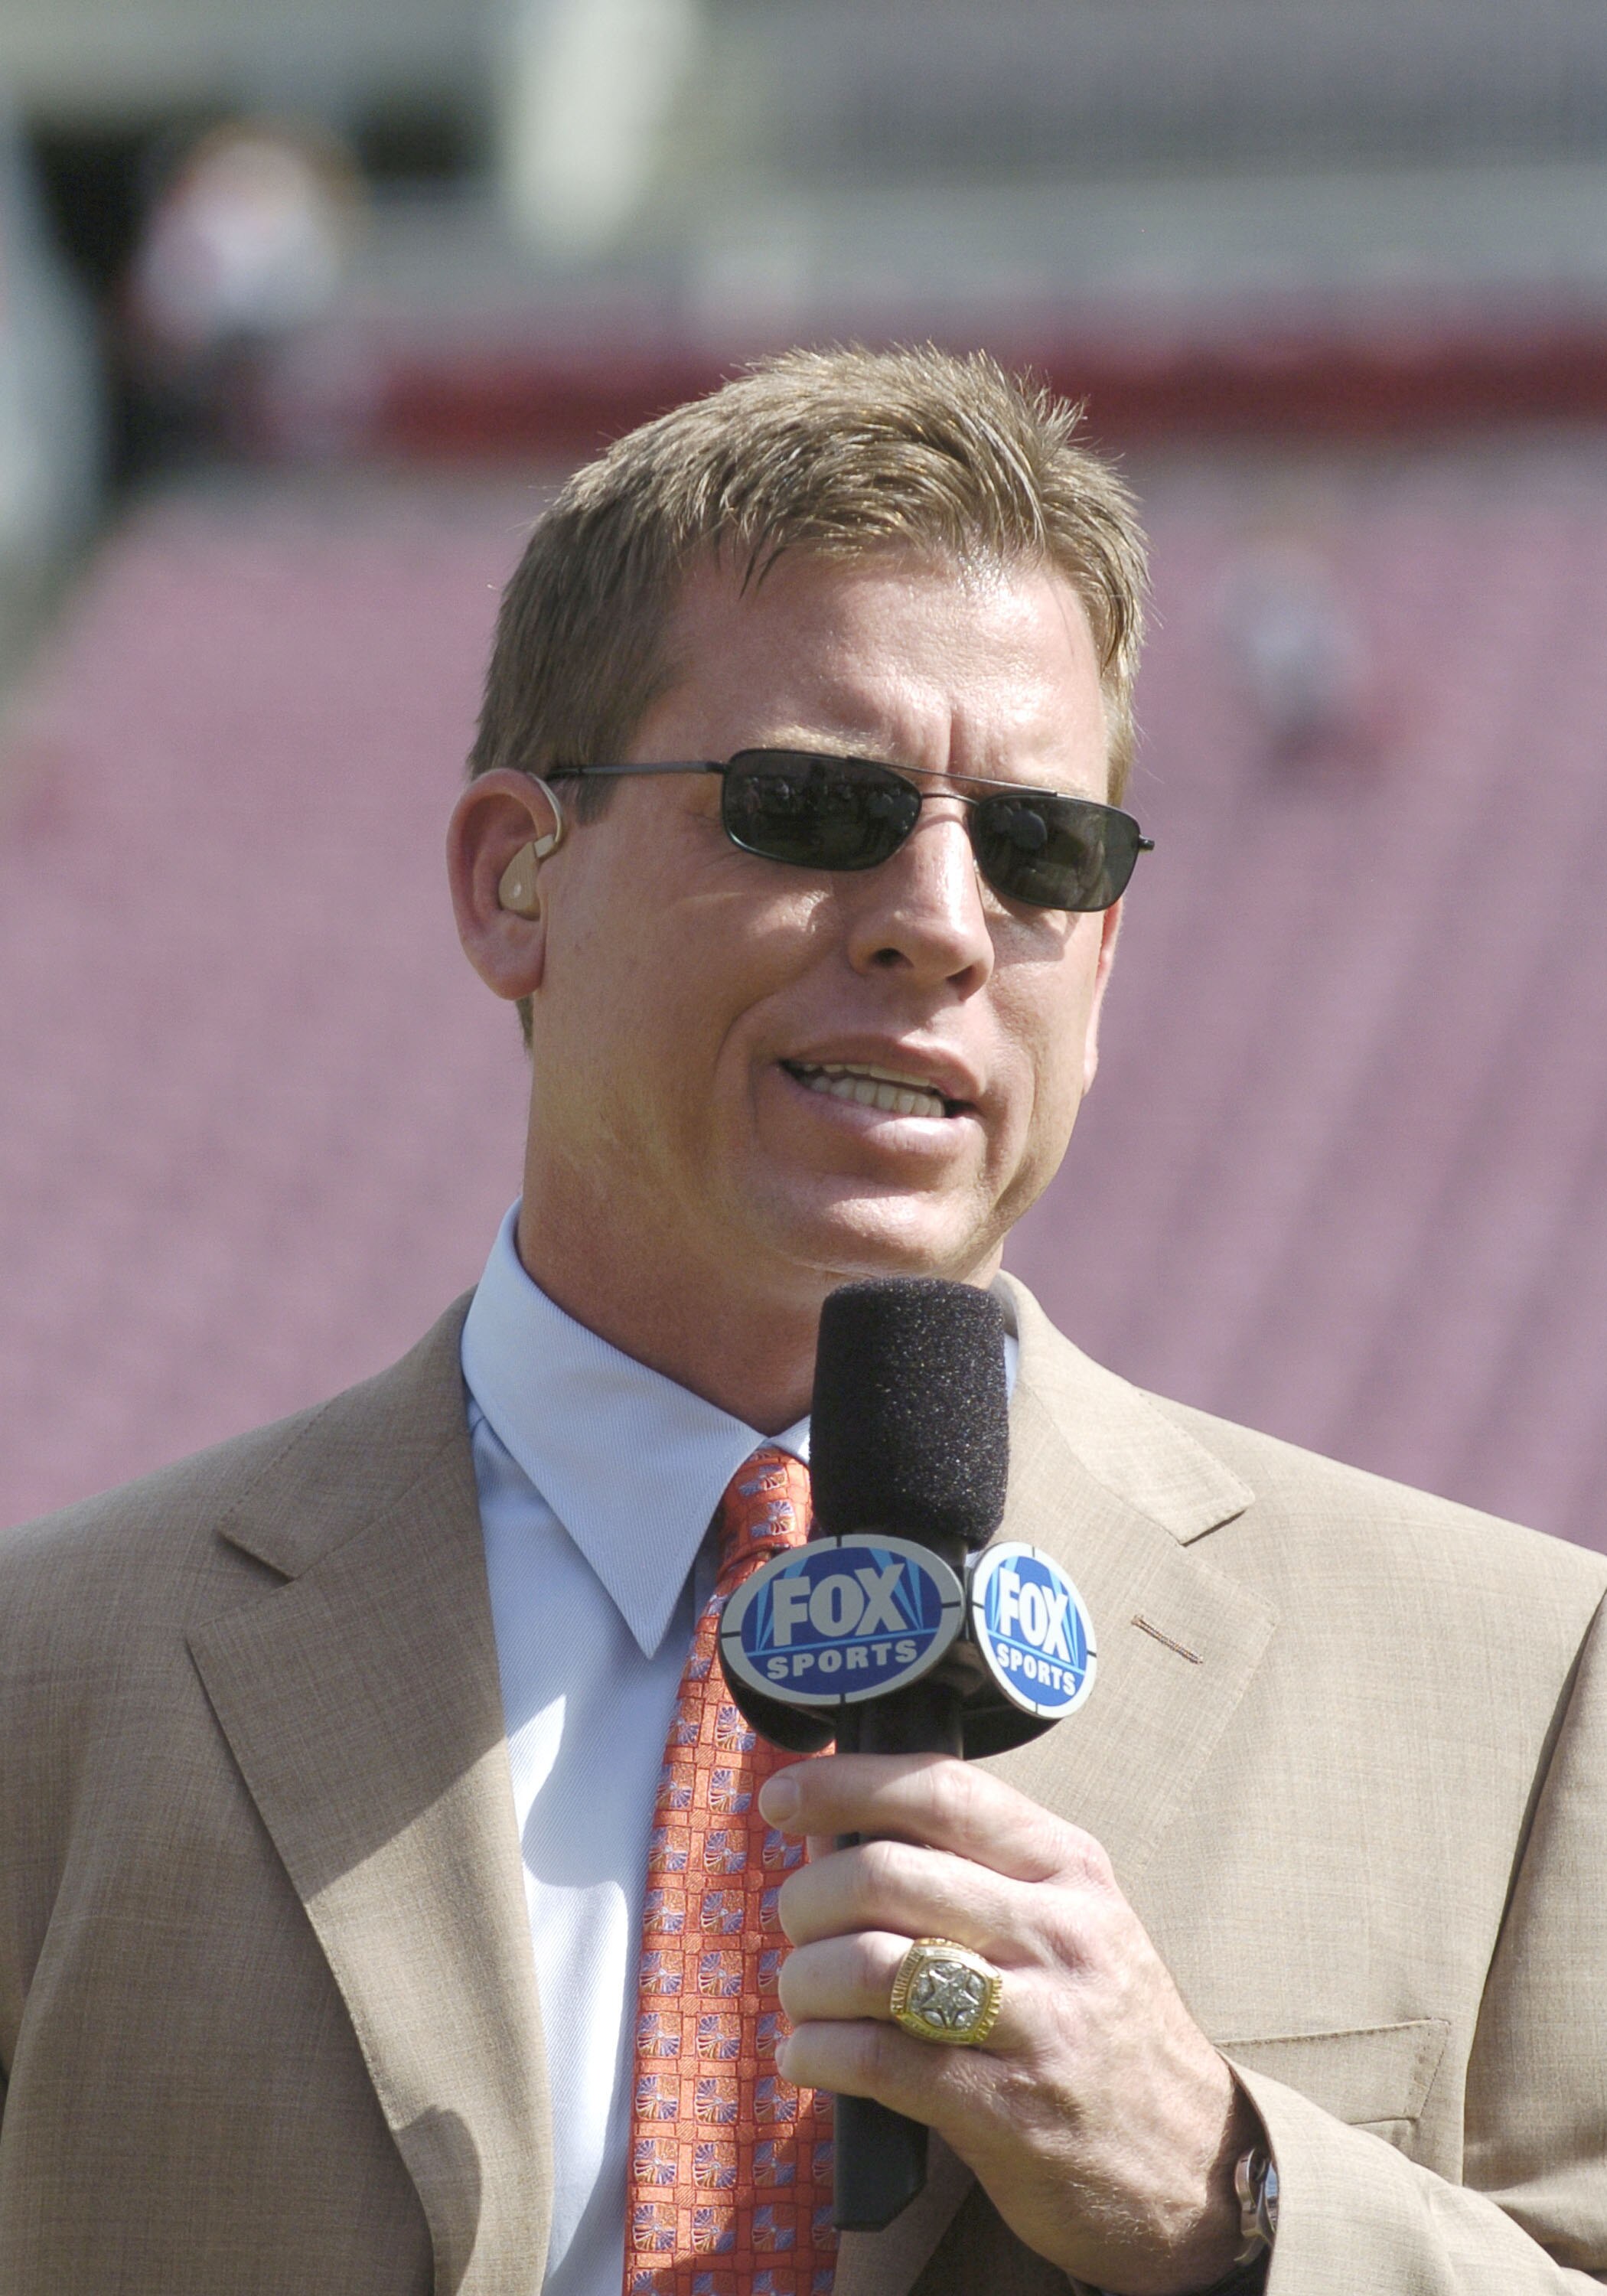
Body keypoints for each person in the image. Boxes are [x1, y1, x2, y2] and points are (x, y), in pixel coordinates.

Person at [1, 347, 1603, 2296]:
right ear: (515, 877)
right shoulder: (53, 1688)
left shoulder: (1515, 1688)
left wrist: (1226, 2181)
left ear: (1099, 958)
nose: (937, 919)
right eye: (816, 806)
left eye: (1037, 850)